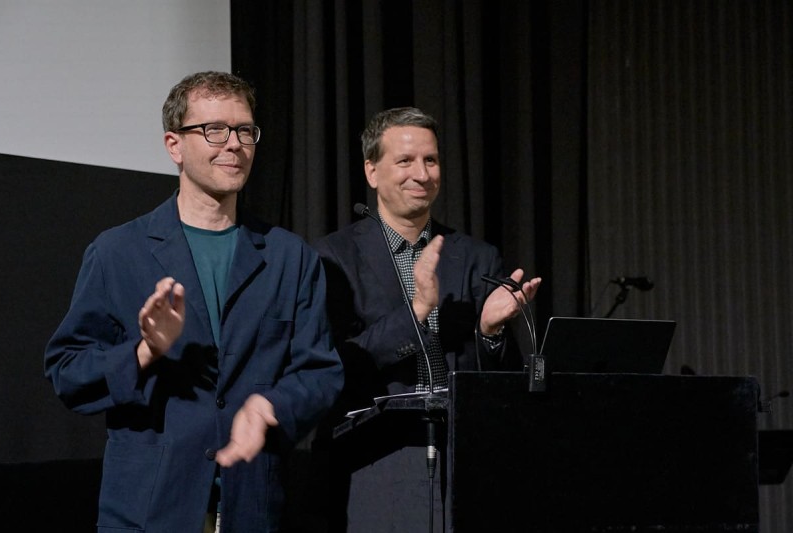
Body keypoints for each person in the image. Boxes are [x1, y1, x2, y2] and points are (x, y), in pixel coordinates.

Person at [44, 71, 344, 532]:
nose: (234, 144)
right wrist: (146, 351)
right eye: (214, 130)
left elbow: (320, 372)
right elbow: (67, 371)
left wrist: (271, 405)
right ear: (174, 145)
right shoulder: (118, 251)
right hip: (150, 511)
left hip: (253, 508)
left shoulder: (290, 256)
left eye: (245, 130)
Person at [313, 106, 541, 531]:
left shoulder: (476, 257)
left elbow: (498, 382)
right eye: (405, 161)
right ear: (372, 171)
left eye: (430, 160)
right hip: (376, 461)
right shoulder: (333, 258)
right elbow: (337, 365)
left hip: (464, 460)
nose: (422, 173)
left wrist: (490, 332)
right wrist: (417, 311)